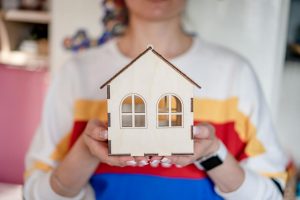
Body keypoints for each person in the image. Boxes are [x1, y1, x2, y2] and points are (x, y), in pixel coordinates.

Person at [24, 0, 288, 199]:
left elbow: (273, 193)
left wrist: (211, 153)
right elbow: (34, 192)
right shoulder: (76, 74)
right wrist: (86, 150)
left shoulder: (235, 73)